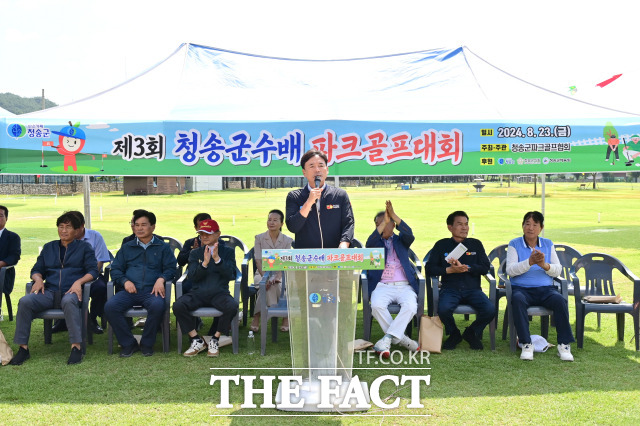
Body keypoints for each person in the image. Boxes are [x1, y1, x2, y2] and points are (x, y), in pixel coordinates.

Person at [10, 212, 98, 365]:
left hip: (71, 291)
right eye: (61, 227)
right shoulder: (49, 247)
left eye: (68, 227)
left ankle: (76, 347)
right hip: (48, 292)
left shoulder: (85, 248)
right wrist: (37, 279)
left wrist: (79, 282)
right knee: (25, 301)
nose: (63, 230)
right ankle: (23, 348)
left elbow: (93, 271)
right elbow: (37, 269)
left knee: (69, 302)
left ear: (76, 230)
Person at [104, 210, 177, 357]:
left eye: (143, 225)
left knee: (157, 306)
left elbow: (171, 268)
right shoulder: (127, 247)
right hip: (129, 291)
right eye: (136, 225)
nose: (139, 228)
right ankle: (128, 343)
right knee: (110, 307)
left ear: (153, 227)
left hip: (152, 291)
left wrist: (161, 279)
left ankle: (147, 343)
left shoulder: (162, 247)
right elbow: (116, 269)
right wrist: (125, 281)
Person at [506, 211, 574, 361]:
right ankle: (526, 344)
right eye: (527, 224)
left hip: (545, 289)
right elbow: (510, 270)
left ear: (541, 227)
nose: (530, 228)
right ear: (522, 226)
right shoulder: (514, 244)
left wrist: (544, 265)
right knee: (517, 300)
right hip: (521, 289)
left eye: (535, 225)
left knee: (560, 301)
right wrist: (529, 262)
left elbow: (558, 269)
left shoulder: (548, 244)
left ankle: (564, 345)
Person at [425, 211, 495, 350]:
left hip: (473, 289)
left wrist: (467, 268)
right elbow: (430, 268)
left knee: (490, 309)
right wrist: (449, 270)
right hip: (450, 289)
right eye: (460, 224)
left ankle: (471, 332)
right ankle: (454, 334)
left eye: (466, 224)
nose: (464, 228)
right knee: (443, 309)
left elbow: (485, 267)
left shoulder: (475, 244)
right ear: (450, 227)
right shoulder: (441, 245)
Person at [172, 219, 238, 357]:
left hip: (219, 293)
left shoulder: (227, 252)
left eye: (208, 233)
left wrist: (218, 260)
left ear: (218, 234)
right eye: (202, 233)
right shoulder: (195, 253)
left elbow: (231, 274)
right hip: (198, 293)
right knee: (178, 306)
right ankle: (196, 339)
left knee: (232, 306)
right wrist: (205, 264)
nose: (204, 236)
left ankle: (215, 338)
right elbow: (193, 276)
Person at [366, 201, 419, 356]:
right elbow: (369, 244)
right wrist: (383, 224)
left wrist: (393, 216)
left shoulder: (401, 240)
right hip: (383, 285)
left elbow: (409, 234)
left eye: (383, 223)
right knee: (376, 306)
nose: (379, 227)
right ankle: (403, 340)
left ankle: (388, 339)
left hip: (404, 285)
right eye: (377, 224)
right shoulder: (376, 242)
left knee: (410, 307)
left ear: (393, 225)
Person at [52, 210, 110, 335]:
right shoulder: (64, 240)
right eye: (63, 227)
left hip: (92, 275)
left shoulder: (95, 236)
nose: (67, 231)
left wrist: (88, 275)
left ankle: (92, 319)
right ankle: (62, 321)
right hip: (70, 275)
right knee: (60, 285)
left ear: (82, 226)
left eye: (73, 228)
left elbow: (100, 261)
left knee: (100, 288)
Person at [285, 149, 354, 249]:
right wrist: (309, 202)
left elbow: (348, 223)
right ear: (304, 172)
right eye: (312, 166)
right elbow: (293, 227)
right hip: (307, 257)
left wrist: (344, 243)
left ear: (327, 170)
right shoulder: (294, 196)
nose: (317, 170)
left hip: (336, 257)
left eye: (321, 165)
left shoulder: (340, 195)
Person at [250, 209, 293, 332]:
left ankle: (257, 315)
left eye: (275, 220)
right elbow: (258, 260)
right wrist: (266, 278)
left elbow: (285, 262)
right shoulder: (259, 238)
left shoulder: (287, 240)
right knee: (265, 285)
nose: (271, 222)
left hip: (281, 273)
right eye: (269, 219)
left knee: (276, 286)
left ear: (281, 224)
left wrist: (277, 277)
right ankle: (285, 315)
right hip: (262, 273)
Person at [177, 212, 212, 294]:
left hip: (213, 277)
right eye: (201, 227)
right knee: (185, 287)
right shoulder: (190, 243)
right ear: (196, 228)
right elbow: (180, 261)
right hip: (193, 278)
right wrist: (193, 251)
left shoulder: (219, 243)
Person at [0, 205, 21, 316]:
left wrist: (1, 264)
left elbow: (14, 256)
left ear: (6, 218)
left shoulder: (13, 237)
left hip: (4, 273)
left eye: (0, 216)